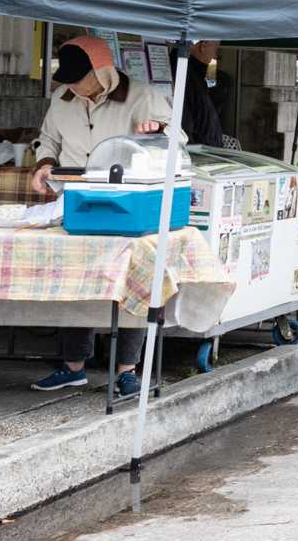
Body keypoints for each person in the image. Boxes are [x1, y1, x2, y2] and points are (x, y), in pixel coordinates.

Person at [27, 36, 183, 394]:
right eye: (67, 80)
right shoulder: (63, 98)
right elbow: (47, 139)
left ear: (102, 70)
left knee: (131, 280)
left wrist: (156, 132)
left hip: (128, 202)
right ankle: (72, 365)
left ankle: (128, 368)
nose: (74, 87)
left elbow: (177, 139)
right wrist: (45, 163)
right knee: (73, 276)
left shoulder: (142, 96)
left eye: (80, 79)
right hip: (76, 199)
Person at [175, 39, 227, 148]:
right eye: (216, 50)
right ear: (203, 46)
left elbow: (212, 90)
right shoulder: (186, 72)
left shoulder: (201, 73)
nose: (215, 56)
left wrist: (212, 62)